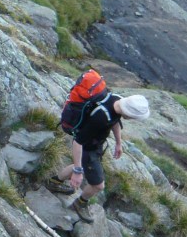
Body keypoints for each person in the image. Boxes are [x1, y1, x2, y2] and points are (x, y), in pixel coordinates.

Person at [45, 94, 151, 222]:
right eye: (134, 117)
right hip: (88, 148)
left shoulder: (117, 99)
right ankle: (80, 203)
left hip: (95, 144)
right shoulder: (100, 117)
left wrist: (118, 143)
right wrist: (78, 172)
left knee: (81, 166)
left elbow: (115, 121)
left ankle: (54, 183)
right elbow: (78, 142)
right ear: (128, 111)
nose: (133, 119)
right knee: (98, 185)